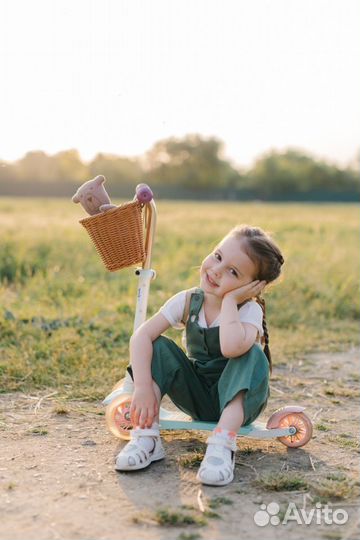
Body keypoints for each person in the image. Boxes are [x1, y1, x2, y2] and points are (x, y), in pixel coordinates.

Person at [115, 225, 284, 486]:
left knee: (251, 354)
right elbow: (140, 337)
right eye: (217, 256)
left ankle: (221, 446)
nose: (216, 270)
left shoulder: (249, 311)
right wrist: (143, 386)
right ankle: (147, 438)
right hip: (197, 396)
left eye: (233, 272)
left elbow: (230, 348)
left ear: (251, 287)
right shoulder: (187, 301)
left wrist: (230, 302)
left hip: (237, 405)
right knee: (158, 346)